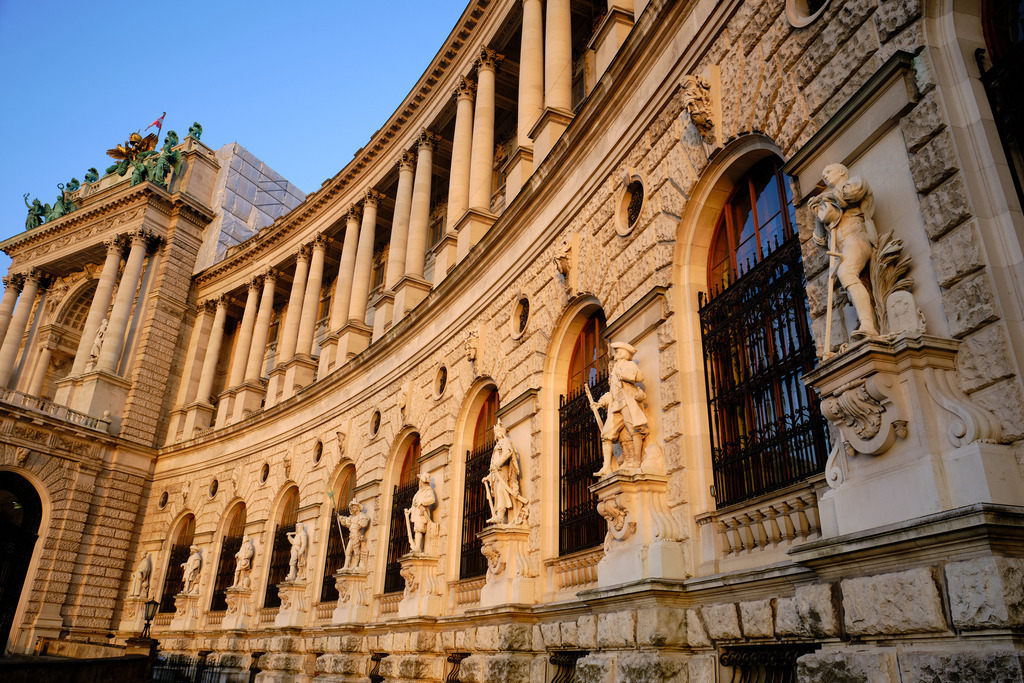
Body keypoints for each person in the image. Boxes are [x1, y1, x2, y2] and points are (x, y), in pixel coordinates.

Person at [808, 163, 878, 337]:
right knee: (850, 279)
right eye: (824, 174)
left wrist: (825, 197)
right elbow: (821, 241)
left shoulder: (855, 181)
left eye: (828, 172)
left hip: (857, 238)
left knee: (846, 273)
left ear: (841, 172)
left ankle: (868, 325)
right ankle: (867, 321)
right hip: (842, 248)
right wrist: (818, 214)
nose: (825, 176)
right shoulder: (826, 200)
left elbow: (852, 193)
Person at [591, 342, 649, 477]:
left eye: (617, 351)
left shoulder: (629, 365)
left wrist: (625, 375)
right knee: (606, 434)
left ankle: (637, 460)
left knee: (633, 430)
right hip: (616, 406)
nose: (615, 354)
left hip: (626, 402)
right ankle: (606, 467)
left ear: (623, 353)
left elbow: (640, 376)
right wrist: (600, 403)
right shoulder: (615, 367)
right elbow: (612, 392)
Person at [482, 419, 527, 524]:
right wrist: (489, 477)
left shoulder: (505, 441)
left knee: (500, 491)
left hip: (502, 471)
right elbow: (494, 463)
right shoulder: (498, 445)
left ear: (502, 432)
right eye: (495, 432)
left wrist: (497, 464)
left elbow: (507, 453)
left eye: (498, 431)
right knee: (498, 494)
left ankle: (501, 515)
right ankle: (498, 515)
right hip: (496, 473)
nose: (497, 434)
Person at [405, 474, 435, 553]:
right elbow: (415, 504)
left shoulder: (428, 490)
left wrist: (422, 502)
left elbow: (432, 499)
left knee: (419, 529)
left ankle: (418, 547)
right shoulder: (419, 492)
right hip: (416, 513)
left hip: (421, 514)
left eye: (420, 481)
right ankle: (418, 547)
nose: (419, 483)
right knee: (417, 530)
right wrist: (410, 511)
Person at [337, 501, 370, 570]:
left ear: (358, 508)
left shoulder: (361, 515)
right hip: (351, 535)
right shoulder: (351, 517)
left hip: (356, 535)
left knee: (356, 551)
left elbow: (364, 523)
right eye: (352, 508)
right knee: (348, 551)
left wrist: (362, 523)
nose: (353, 509)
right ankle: (346, 566)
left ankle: (355, 565)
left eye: (355, 507)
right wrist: (340, 518)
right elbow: (346, 523)